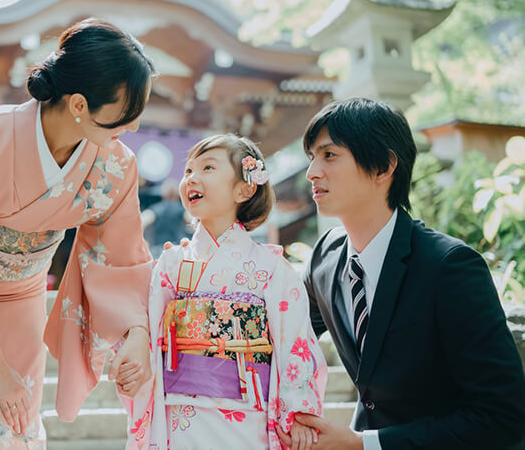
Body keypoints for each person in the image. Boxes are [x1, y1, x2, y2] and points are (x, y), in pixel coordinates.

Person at [0, 18, 156, 448]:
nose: (129, 129)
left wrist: (137, 334)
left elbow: (123, 257)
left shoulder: (116, 166)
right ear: (78, 104)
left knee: (19, 434)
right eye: (121, 118)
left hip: (23, 312)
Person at [280, 98, 525, 450]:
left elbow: (503, 416)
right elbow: (283, 332)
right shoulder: (325, 258)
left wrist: (364, 444)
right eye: (312, 158)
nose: (312, 172)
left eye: (329, 155)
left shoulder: (450, 267)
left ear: (384, 166)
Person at [123, 134, 327, 450]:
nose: (192, 178)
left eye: (207, 167)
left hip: (248, 416)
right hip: (180, 413)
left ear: (244, 189)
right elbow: (147, 326)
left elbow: (296, 342)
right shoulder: (171, 262)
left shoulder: (270, 268)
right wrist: (135, 357)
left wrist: (297, 411)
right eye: (188, 170)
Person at [141, 179, 190, 258]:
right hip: (176, 249)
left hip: (158, 251)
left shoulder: (155, 209)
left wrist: (143, 241)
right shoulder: (181, 209)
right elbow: (193, 222)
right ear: (178, 194)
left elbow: (141, 222)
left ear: (164, 194)